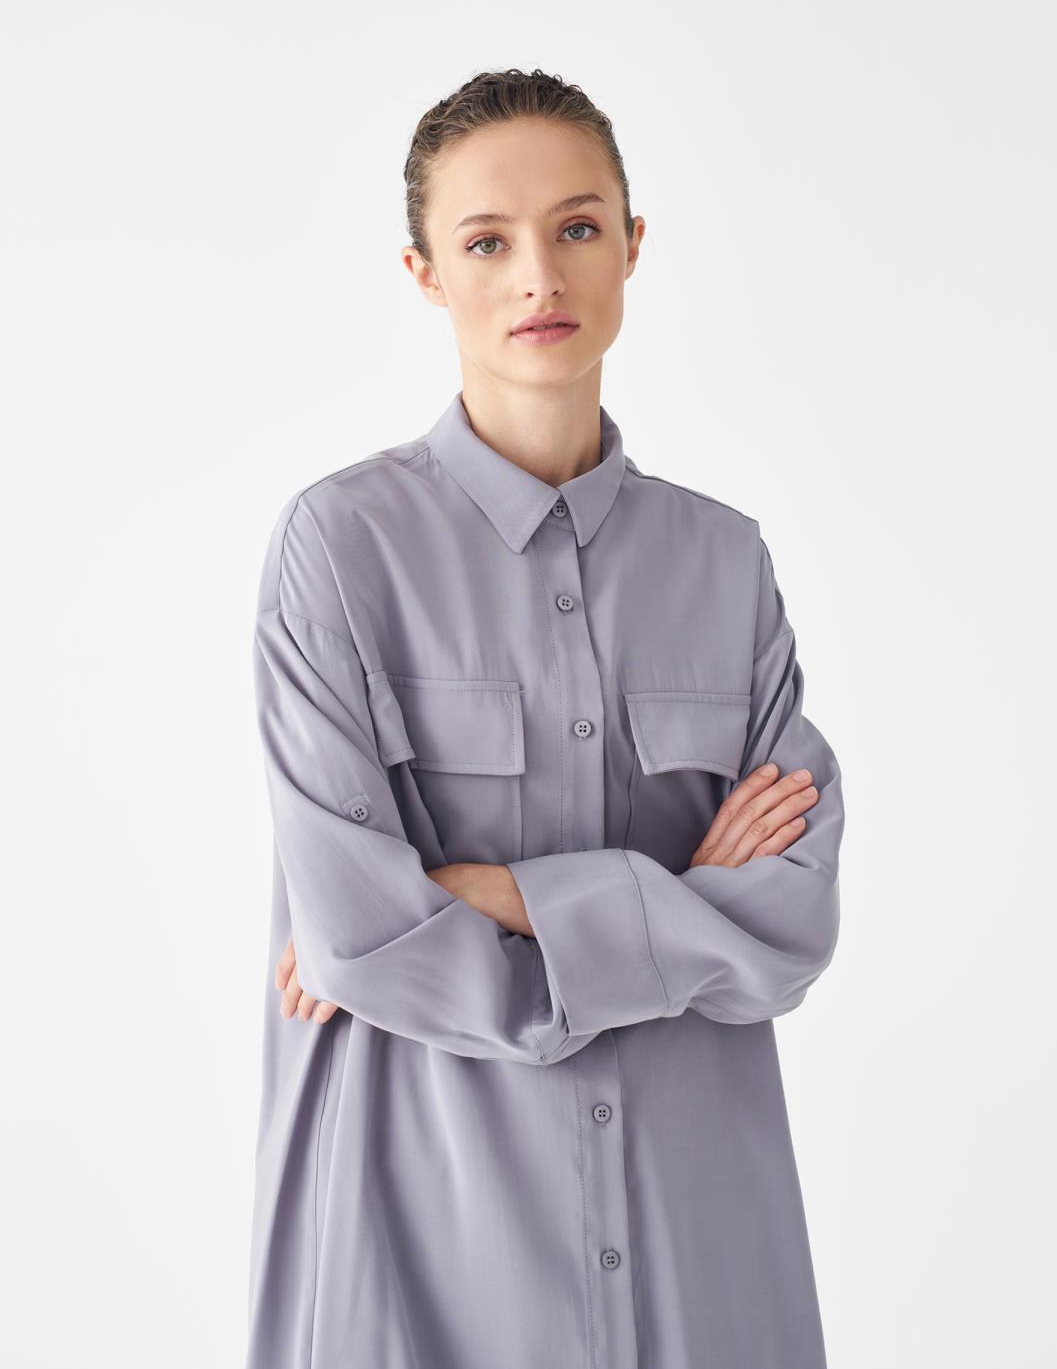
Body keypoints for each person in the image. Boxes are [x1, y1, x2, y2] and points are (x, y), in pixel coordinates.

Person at [246, 66, 845, 1369]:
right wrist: (670, 909)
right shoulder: (339, 551)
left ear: (632, 246)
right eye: (486, 242)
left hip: (704, 1240)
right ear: (424, 274)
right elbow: (360, 944)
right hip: (424, 1234)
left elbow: (791, 925)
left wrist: (486, 893)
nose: (538, 276)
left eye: (577, 227)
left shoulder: (726, 563)